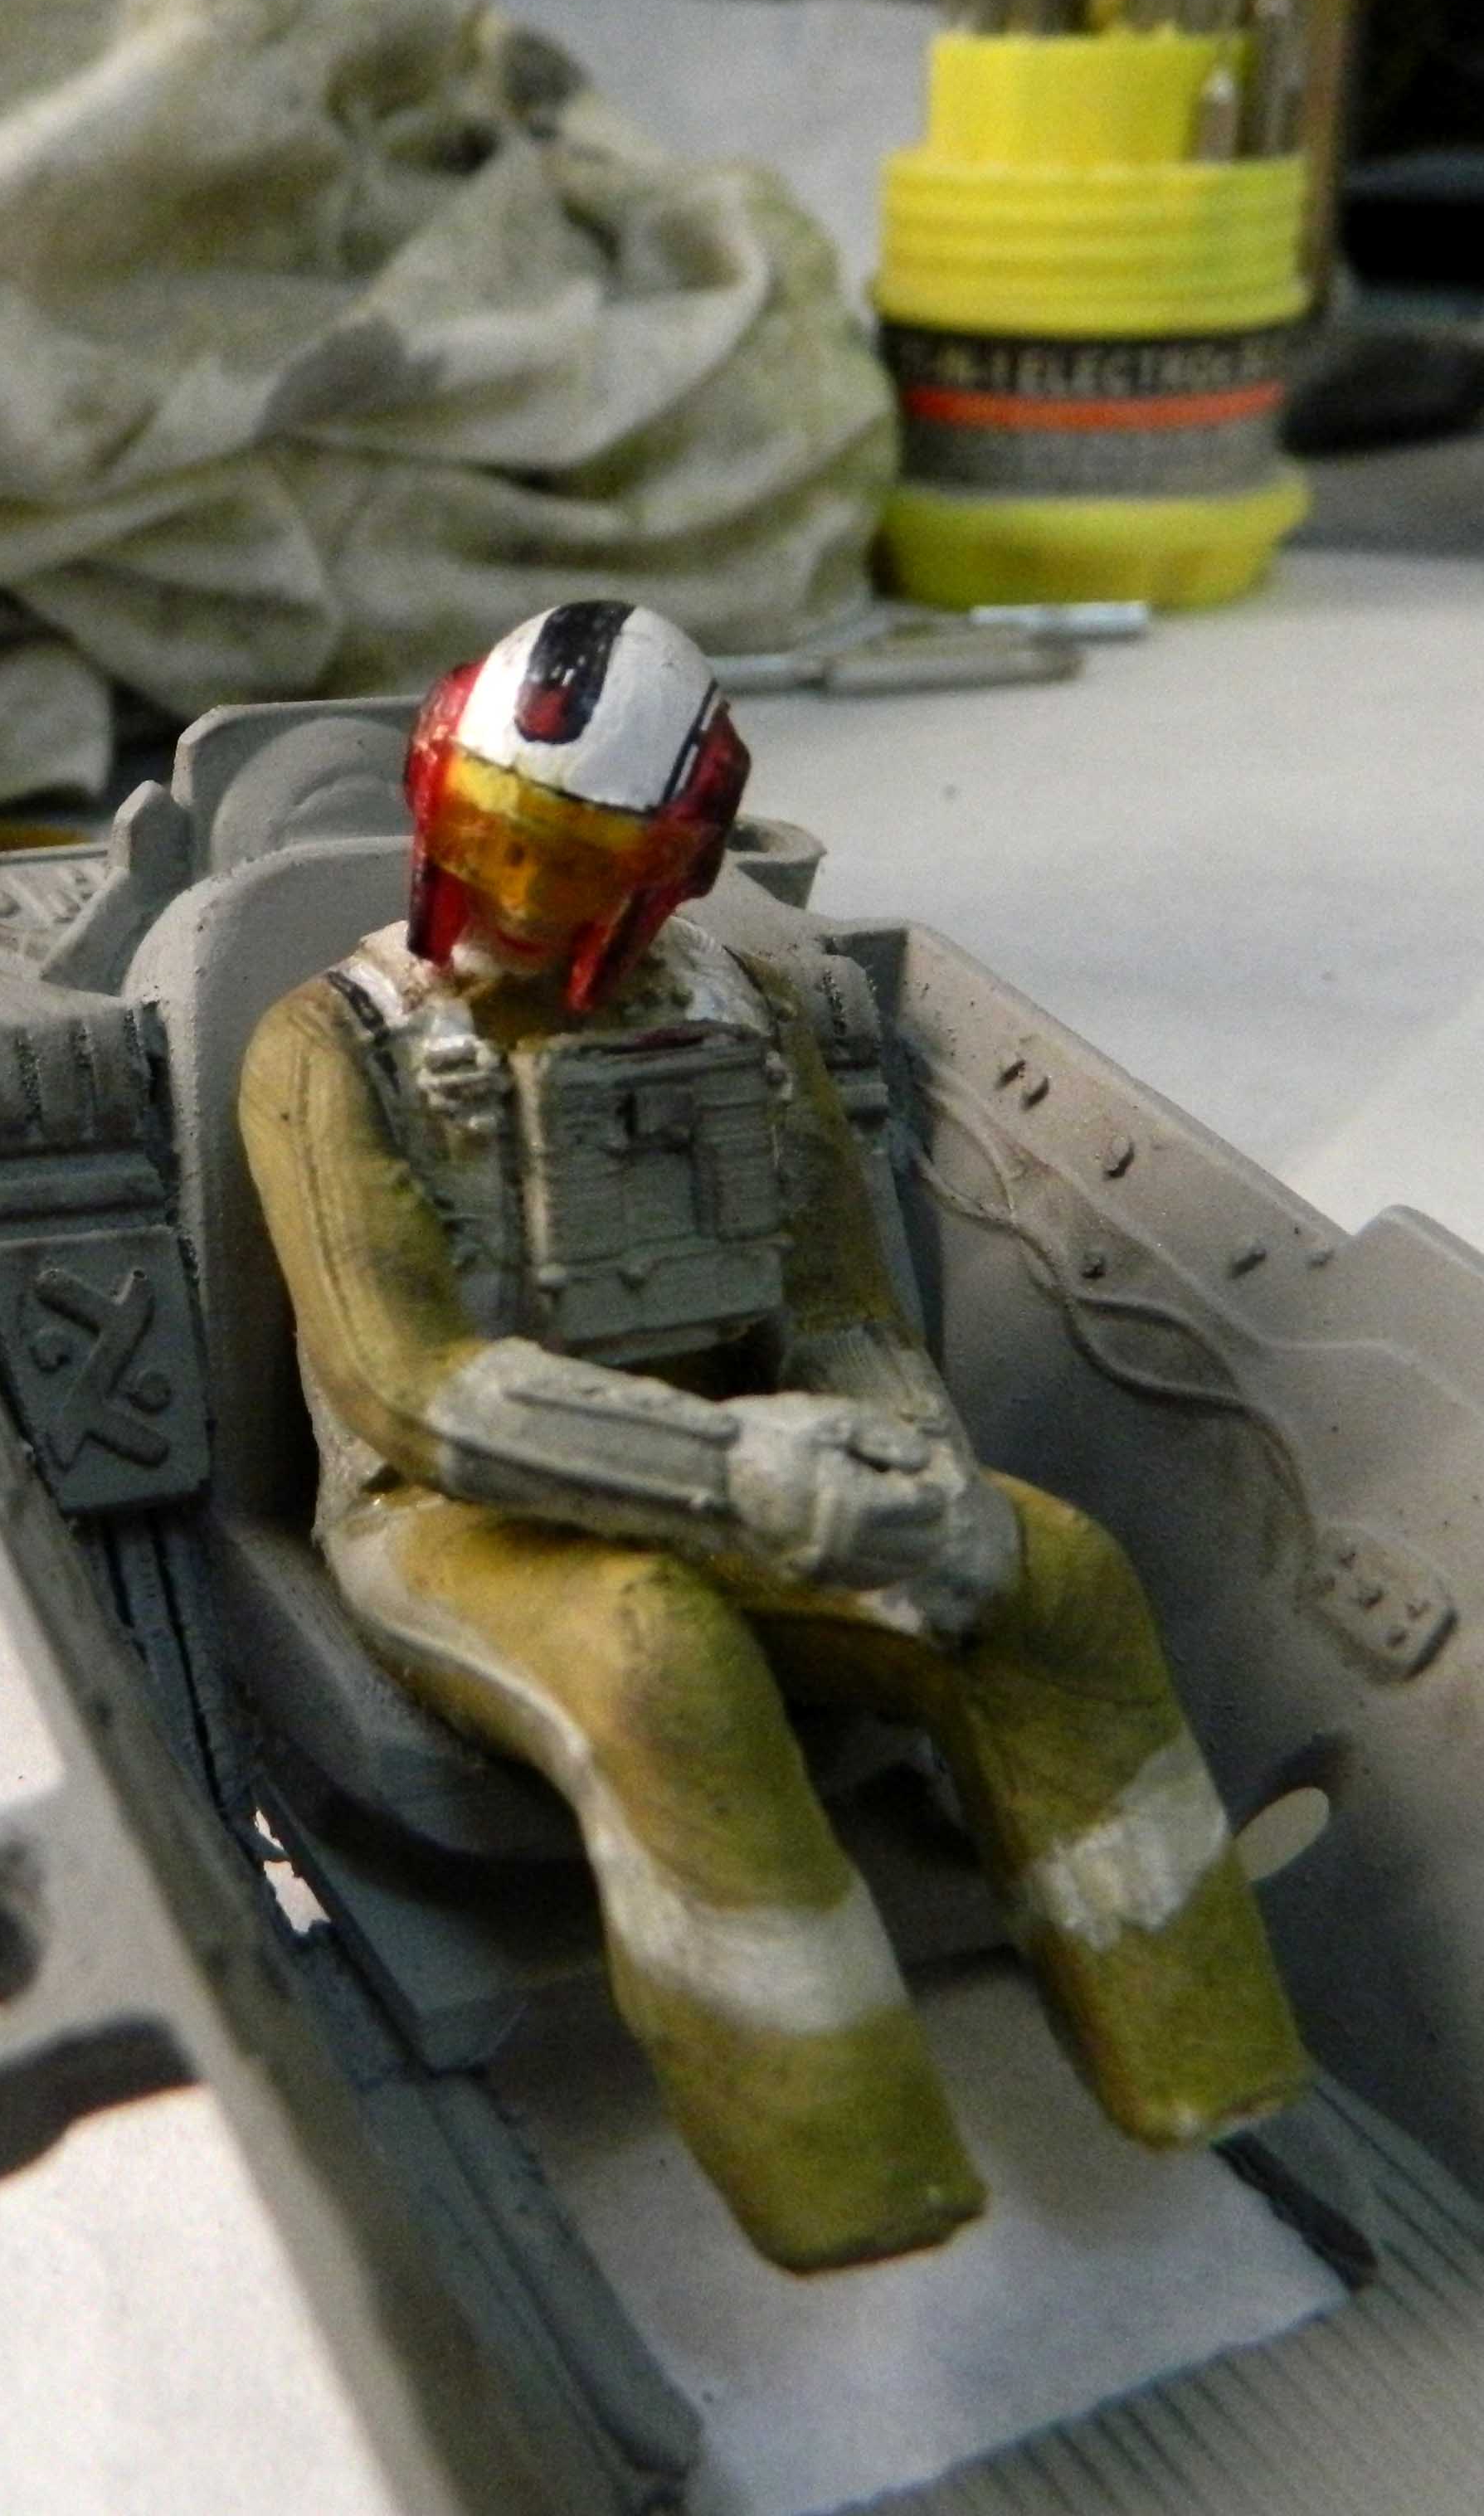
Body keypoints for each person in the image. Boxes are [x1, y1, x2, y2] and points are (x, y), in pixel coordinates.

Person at [237, 600, 1308, 2272]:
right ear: (436, 809)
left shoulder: (748, 1017)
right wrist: (736, 1481)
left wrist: (913, 1476)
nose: (519, 893)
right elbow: (413, 1388)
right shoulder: (328, 1050)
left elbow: (838, 1306)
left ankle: (1200, 2058)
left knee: (1051, 1577)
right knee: (659, 1654)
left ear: (667, 869)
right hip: (451, 1523)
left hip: (762, 1463)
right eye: (493, 835)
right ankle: (847, 2170)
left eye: (573, 862)